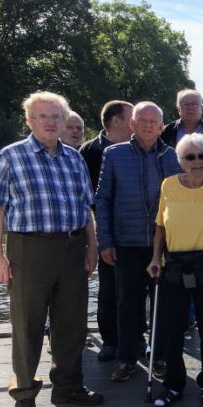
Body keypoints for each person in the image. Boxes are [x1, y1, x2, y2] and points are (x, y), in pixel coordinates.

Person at [0, 91, 104, 407]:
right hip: (29, 249)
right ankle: (25, 394)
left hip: (71, 248)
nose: (51, 122)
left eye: (57, 116)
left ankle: (67, 386)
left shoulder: (74, 158)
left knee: (72, 323)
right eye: (43, 116)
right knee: (27, 324)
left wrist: (92, 247)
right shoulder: (10, 157)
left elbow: (86, 209)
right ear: (29, 120)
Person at [146, 133, 203, 407]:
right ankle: (173, 384)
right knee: (172, 328)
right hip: (174, 265)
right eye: (190, 156)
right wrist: (154, 258)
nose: (197, 162)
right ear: (180, 160)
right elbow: (161, 224)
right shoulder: (169, 185)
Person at [95, 101, 180, 382]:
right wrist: (104, 241)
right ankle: (126, 358)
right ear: (132, 123)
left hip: (162, 244)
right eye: (142, 120)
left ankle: (159, 357)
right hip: (126, 243)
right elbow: (103, 200)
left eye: (153, 121)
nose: (147, 125)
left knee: (163, 305)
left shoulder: (172, 157)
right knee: (127, 304)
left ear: (161, 126)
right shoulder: (114, 154)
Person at [80, 100, 134, 362]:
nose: (135, 124)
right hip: (107, 228)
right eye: (131, 118)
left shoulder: (139, 147)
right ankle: (110, 341)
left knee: (135, 288)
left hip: (136, 230)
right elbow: (85, 195)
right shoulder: (89, 150)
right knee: (109, 287)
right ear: (116, 121)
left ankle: (135, 337)